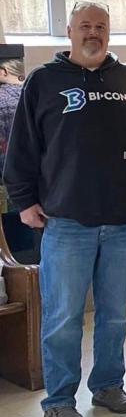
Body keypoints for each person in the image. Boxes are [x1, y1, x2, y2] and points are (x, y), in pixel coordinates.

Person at [3, 2, 126, 417]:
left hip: (122, 222)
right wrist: (24, 200)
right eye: (84, 26)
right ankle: (60, 400)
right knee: (64, 316)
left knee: (115, 314)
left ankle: (107, 385)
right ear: (69, 32)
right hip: (66, 222)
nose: (93, 33)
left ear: (109, 32)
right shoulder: (43, 82)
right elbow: (21, 147)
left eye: (100, 26)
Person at [0, 45, 35, 264]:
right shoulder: (34, 96)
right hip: (34, 192)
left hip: (5, 187)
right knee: (29, 253)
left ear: (3, 72)